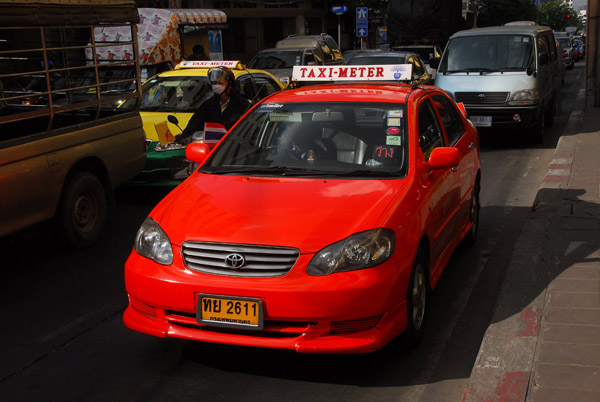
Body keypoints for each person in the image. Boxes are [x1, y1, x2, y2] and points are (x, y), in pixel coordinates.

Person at [179, 66, 251, 142]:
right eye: (214, 83)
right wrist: (184, 136)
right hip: (211, 149)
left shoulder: (243, 105)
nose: (216, 86)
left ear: (230, 85)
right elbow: (193, 125)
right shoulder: (207, 105)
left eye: (220, 83)